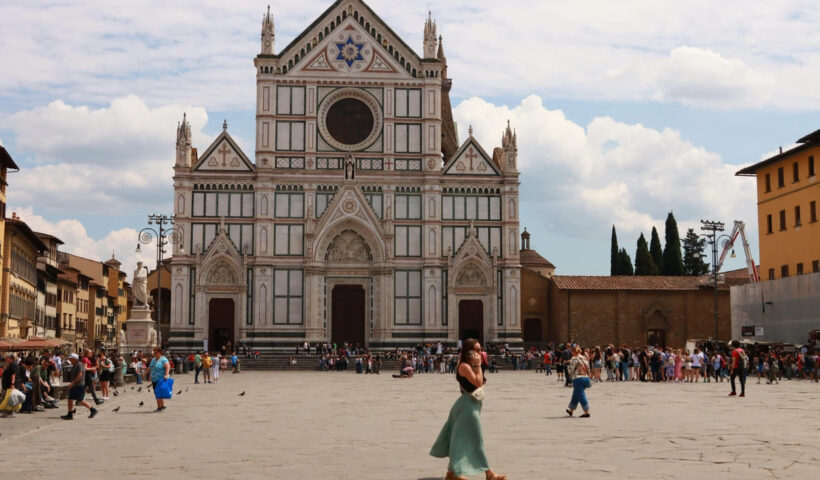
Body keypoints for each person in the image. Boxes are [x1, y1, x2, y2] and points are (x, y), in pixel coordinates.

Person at [430, 338, 506, 480]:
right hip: (467, 406)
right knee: (476, 440)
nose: (479, 352)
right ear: (468, 351)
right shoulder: (464, 366)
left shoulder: (471, 365)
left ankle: (452, 473)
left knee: (462, 439)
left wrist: (478, 365)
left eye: (480, 349)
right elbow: (478, 382)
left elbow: (480, 381)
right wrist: (478, 365)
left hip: (472, 405)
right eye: (476, 349)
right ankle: (487, 474)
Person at [61, 353, 98, 420]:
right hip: (75, 385)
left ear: (74, 359)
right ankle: (70, 414)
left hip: (79, 385)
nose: (70, 360)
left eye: (71, 358)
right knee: (70, 399)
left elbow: (80, 375)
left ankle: (93, 410)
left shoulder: (79, 364)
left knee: (80, 400)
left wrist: (73, 382)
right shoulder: (75, 364)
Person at [565, 346, 591, 418]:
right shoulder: (584, 358)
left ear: (574, 352)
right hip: (586, 378)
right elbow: (588, 368)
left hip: (578, 379)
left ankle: (586, 412)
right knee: (576, 394)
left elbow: (571, 370)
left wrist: (567, 368)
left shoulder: (574, 358)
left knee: (581, 395)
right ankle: (571, 410)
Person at [148, 348, 171, 412]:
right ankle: (162, 405)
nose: (154, 354)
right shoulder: (153, 359)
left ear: (160, 352)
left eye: (155, 353)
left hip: (161, 379)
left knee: (158, 393)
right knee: (158, 393)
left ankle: (159, 407)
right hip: (154, 379)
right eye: (154, 353)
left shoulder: (164, 359)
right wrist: (146, 373)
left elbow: (167, 367)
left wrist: (166, 375)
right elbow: (150, 368)